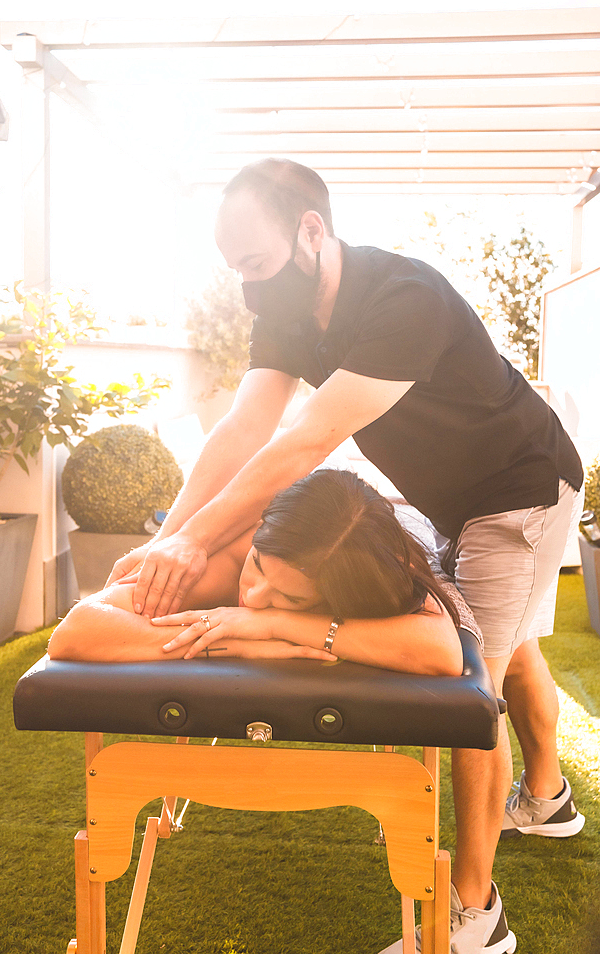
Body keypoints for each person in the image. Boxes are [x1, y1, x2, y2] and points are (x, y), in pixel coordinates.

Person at [106, 159, 585, 954]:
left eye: (255, 265)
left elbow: (306, 440)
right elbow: (239, 429)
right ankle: (546, 799)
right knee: (518, 648)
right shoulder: (286, 310)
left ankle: (474, 918)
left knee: (473, 688)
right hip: (456, 499)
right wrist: (167, 540)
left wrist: (195, 539)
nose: (249, 288)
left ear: (310, 229)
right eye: (235, 272)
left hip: (519, 492)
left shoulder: (404, 298)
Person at [49, 468, 471, 674]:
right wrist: (235, 642)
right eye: (258, 567)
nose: (251, 597)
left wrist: (273, 624)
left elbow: (442, 653)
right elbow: (78, 630)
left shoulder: (375, 568)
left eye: (291, 597)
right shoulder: (230, 557)